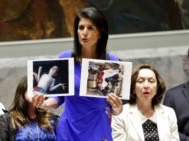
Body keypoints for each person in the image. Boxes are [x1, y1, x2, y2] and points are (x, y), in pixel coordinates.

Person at [33, 7, 123, 141]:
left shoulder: (111, 61)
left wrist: (118, 109)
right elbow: (59, 97)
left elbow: (114, 106)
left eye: (90, 28)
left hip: (98, 127)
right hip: (69, 129)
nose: (84, 33)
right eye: (81, 28)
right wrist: (44, 104)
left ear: (100, 32)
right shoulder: (66, 57)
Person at [111, 64, 180, 141]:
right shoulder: (121, 113)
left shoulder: (169, 113)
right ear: (133, 88)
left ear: (157, 88)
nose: (146, 86)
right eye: (140, 81)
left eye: (151, 81)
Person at [0, 75, 58, 141]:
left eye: (38, 87)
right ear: (23, 89)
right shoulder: (5, 120)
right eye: (32, 86)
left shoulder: (53, 120)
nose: (35, 90)